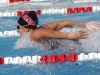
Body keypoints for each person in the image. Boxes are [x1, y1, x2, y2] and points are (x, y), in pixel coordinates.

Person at [17, 11, 100, 46]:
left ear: (27, 29)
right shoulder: (44, 27)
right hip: (69, 46)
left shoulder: (34, 35)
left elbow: (52, 34)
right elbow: (64, 22)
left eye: (18, 27)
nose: (17, 30)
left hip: (67, 51)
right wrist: (85, 25)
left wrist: (71, 36)